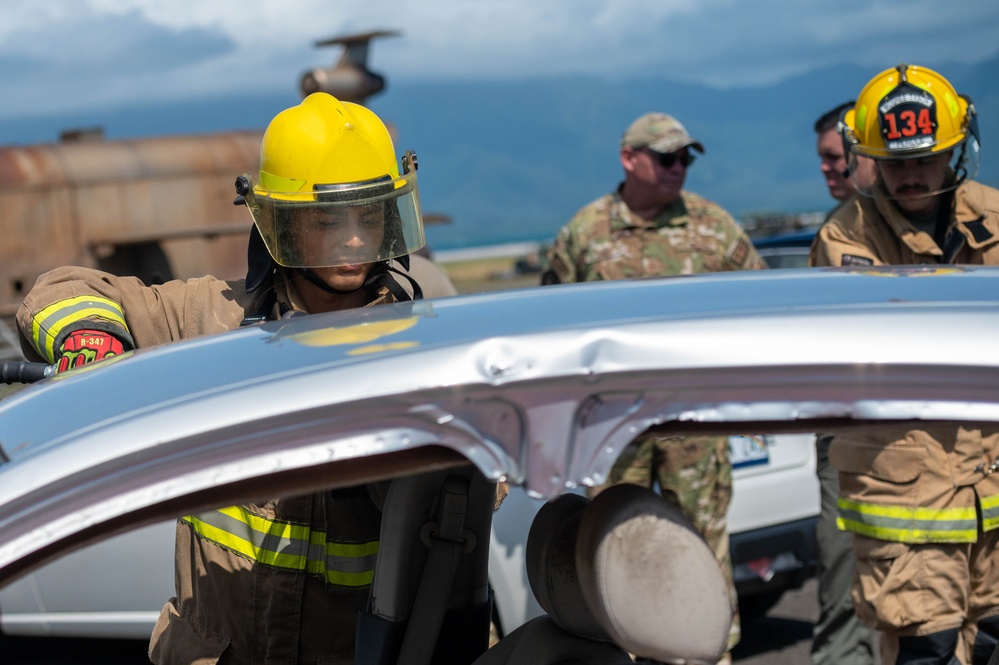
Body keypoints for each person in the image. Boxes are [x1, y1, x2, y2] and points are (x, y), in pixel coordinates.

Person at [15, 92, 458, 664]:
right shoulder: (209, 319)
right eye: (329, 220)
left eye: (368, 216)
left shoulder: (428, 343)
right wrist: (90, 341)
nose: (353, 239)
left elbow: (475, 493)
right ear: (280, 224)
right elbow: (63, 290)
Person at [542, 112, 768, 661]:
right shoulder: (585, 233)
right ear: (630, 159)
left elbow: (761, 305)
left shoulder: (712, 225)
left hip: (693, 426)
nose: (678, 169)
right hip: (613, 432)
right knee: (611, 557)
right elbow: (548, 322)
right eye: (667, 158)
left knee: (703, 551)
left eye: (685, 159)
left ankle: (711, 653)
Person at [810, 64, 999, 665]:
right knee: (930, 651)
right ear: (869, 158)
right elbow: (882, 340)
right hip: (905, 496)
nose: (912, 175)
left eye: (926, 159)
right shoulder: (847, 239)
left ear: (955, 151)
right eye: (896, 163)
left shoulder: (994, 218)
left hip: (993, 485)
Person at [810, 102, 878, 665]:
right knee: (844, 578)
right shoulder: (840, 233)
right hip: (844, 430)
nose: (827, 171)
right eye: (823, 161)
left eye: (834, 159)